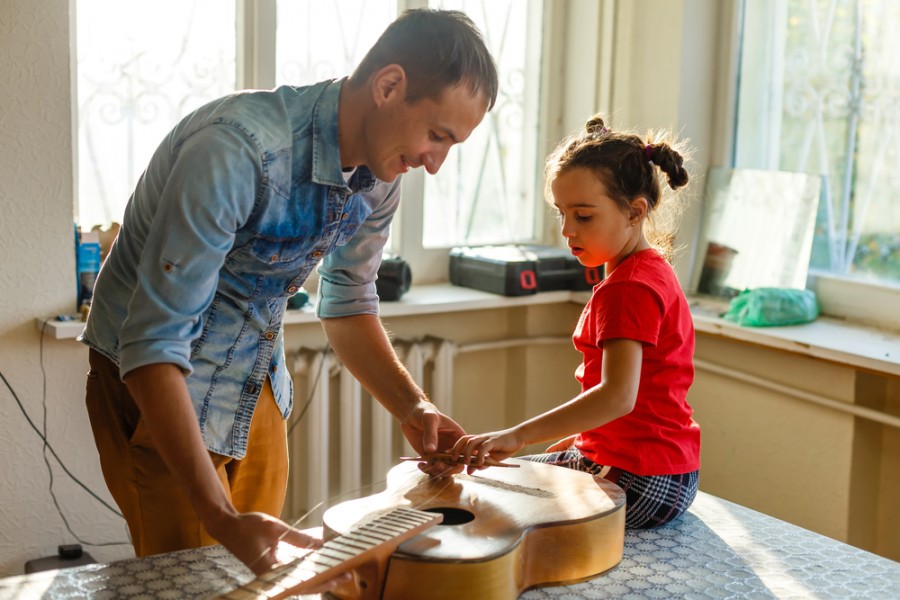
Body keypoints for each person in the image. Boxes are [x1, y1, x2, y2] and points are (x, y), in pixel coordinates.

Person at [80, 8, 498, 579]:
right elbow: (152, 345)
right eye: (436, 135)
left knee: (265, 576)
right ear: (388, 85)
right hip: (155, 382)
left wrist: (413, 406)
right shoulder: (234, 151)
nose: (434, 163)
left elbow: (349, 303)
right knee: (194, 582)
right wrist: (223, 518)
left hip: (255, 381)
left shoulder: (380, 176)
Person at [449, 115, 700, 529]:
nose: (567, 230)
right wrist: (578, 445)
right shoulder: (650, 269)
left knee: (487, 497)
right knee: (494, 475)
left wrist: (515, 436)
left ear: (635, 212)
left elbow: (618, 397)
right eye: (561, 214)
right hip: (669, 473)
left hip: (643, 479)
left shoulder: (629, 288)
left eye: (583, 216)